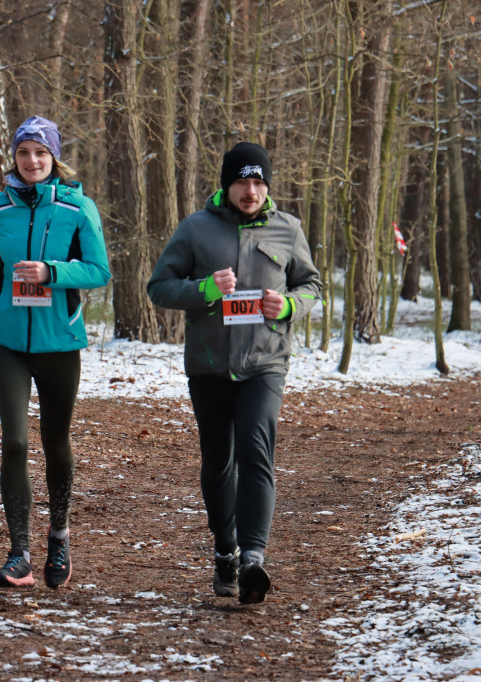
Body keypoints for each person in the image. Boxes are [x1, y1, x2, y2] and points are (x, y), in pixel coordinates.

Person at [147, 142, 321, 604]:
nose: (251, 190)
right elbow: (159, 288)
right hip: (209, 364)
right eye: (243, 181)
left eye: (259, 181)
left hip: (265, 362)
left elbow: (311, 285)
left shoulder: (288, 230)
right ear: (226, 185)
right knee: (218, 461)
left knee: (255, 451)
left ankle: (253, 559)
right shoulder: (196, 229)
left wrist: (287, 305)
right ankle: (225, 550)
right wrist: (204, 288)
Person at [0, 116, 111, 589]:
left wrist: (51, 272)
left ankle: (60, 535)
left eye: (40, 153)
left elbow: (98, 270)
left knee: (55, 442)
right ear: (15, 157)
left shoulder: (77, 206)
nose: (31, 161)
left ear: (54, 158)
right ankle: (19, 554)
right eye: (24, 152)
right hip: (6, 340)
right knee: (15, 442)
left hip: (59, 342)